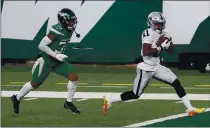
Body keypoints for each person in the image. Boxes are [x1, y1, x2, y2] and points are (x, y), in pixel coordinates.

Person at [102, 12, 206, 117]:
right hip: (146, 67)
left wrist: (168, 43)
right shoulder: (148, 33)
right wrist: (160, 47)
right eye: (156, 24)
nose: (158, 26)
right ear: (150, 23)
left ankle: (190, 108)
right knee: (135, 94)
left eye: (160, 24)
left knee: (176, 82)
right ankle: (111, 99)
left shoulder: (164, 34)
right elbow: (146, 51)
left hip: (156, 66)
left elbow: (172, 50)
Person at [11, 8, 81, 114]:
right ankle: (16, 98)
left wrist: (57, 56)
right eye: (70, 21)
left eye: (73, 21)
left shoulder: (69, 30)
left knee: (73, 77)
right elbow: (41, 45)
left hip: (58, 61)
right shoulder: (56, 30)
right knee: (35, 84)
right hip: (46, 61)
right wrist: (55, 55)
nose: (72, 23)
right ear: (63, 21)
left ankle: (68, 102)